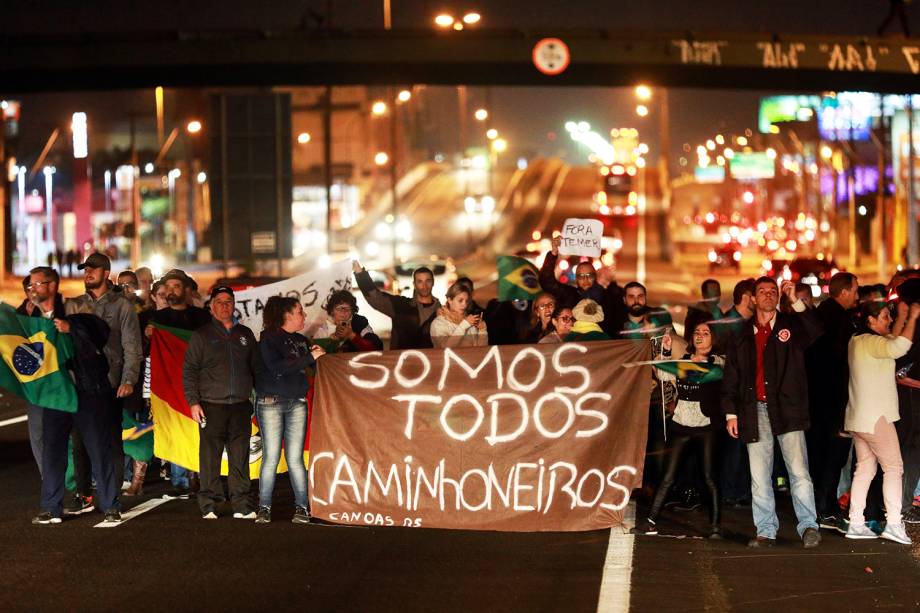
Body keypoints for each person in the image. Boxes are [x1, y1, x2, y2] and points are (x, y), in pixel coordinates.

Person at [722, 277, 823, 548]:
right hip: (753, 411)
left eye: (773, 292)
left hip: (788, 409)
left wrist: (795, 301)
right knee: (759, 476)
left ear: (778, 297)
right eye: (762, 292)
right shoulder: (741, 334)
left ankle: (809, 526)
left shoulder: (792, 327)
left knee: (799, 472)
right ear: (753, 298)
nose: (768, 296)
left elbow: (816, 330)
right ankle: (766, 530)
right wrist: (731, 413)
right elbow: (731, 375)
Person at [633, 318, 724, 539]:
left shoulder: (719, 362)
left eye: (705, 332)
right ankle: (651, 521)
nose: (700, 335)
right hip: (680, 425)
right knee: (668, 476)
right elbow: (663, 376)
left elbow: (702, 374)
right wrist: (664, 352)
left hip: (706, 426)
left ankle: (715, 528)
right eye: (697, 331)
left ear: (713, 339)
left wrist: (674, 365)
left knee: (709, 477)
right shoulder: (682, 360)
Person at [33, 301, 122, 524]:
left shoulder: (90, 325)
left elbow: (100, 334)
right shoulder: (46, 323)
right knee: (52, 452)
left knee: (99, 451)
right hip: (58, 396)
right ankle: (50, 507)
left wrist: (72, 327)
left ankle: (110, 504)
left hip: (88, 393)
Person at [68, 253, 143, 512]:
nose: (87, 272)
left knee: (111, 442)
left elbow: (132, 347)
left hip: (110, 383)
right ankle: (83, 494)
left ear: (106, 272)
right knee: (79, 443)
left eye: (93, 268)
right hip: (79, 384)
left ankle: (111, 500)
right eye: (85, 269)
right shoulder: (74, 305)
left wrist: (129, 380)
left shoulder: (122, 306)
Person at [844, 300, 920, 545]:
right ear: (871, 320)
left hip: (859, 417)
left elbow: (892, 339)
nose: (889, 320)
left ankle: (856, 522)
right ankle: (895, 524)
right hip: (877, 418)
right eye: (885, 316)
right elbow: (900, 346)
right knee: (894, 468)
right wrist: (914, 318)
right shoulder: (872, 342)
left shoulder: (858, 341)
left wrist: (901, 318)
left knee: (865, 468)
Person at [183, 285, 258, 520]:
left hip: (240, 406)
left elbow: (255, 369)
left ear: (234, 304)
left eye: (229, 301)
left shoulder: (245, 334)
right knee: (209, 458)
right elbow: (189, 371)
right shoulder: (201, 335)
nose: (225, 306)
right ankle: (209, 505)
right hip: (210, 405)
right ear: (211, 306)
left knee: (240, 458)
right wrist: (193, 402)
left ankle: (242, 505)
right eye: (220, 301)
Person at [253, 296, 325, 524]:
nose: (304, 315)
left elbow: (312, 364)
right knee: (272, 457)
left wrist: (319, 356)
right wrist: (308, 358)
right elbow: (277, 368)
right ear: (287, 315)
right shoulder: (268, 340)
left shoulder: (302, 341)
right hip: (270, 402)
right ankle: (264, 507)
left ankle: (302, 507)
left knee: (295, 459)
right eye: (300, 311)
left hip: (297, 401)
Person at [148, 269, 212, 495]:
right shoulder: (158, 319)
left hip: (200, 381)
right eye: (168, 287)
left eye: (176, 287)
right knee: (176, 426)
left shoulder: (202, 317)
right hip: (170, 384)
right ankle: (182, 479)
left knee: (200, 427)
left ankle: (202, 476)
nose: (171, 291)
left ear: (185, 290)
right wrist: (150, 334)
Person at [805, 272, 858, 531]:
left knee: (819, 456)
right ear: (845, 291)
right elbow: (840, 366)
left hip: (815, 399)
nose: (857, 296)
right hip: (832, 401)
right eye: (855, 291)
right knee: (831, 457)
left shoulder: (821, 314)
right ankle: (825, 509)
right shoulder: (840, 321)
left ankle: (822, 507)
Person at [17, 267, 68, 476]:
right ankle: (48, 477)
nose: (33, 291)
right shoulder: (22, 313)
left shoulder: (67, 308)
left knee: (66, 434)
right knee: (38, 434)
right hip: (37, 385)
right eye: (30, 287)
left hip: (63, 383)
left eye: (36, 285)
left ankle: (74, 480)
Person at [539, 236, 625, 336]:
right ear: (576, 279)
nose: (585, 280)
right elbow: (547, 282)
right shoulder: (569, 295)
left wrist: (610, 283)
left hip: (603, 346)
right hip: (575, 346)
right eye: (581, 276)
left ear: (596, 276)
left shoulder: (609, 294)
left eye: (589, 276)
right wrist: (553, 254)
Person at [353, 260, 440, 350]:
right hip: (401, 361)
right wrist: (360, 274)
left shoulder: (442, 311)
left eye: (428, 281)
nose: (424, 286)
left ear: (433, 282)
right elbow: (376, 298)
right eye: (420, 282)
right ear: (414, 284)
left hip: (430, 361)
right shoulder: (401, 306)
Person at [313, 290, 383, 352]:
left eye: (348, 309)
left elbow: (376, 349)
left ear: (353, 311)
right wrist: (333, 339)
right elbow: (316, 355)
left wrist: (351, 335)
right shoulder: (322, 329)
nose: (344, 312)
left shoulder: (360, 323)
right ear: (331, 311)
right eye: (339, 309)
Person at [430, 282, 488, 348]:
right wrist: (464, 325)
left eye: (466, 301)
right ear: (449, 300)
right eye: (460, 300)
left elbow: (481, 351)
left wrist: (482, 330)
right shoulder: (439, 323)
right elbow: (444, 348)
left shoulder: (470, 322)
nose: (464, 304)